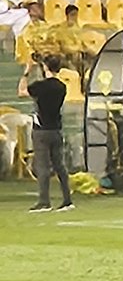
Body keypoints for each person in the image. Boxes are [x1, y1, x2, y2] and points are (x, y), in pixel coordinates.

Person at [26, 55, 72, 212]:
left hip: (42, 130)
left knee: (43, 166)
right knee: (60, 166)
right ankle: (67, 200)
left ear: (46, 67)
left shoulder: (41, 86)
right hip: (56, 129)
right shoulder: (61, 87)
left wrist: (27, 72)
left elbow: (22, 90)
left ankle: (44, 201)